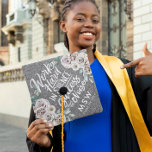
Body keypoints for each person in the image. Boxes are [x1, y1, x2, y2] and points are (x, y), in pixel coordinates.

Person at [26, 0, 152, 152]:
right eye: (80, 19)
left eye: (95, 20)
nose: (89, 24)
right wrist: (43, 143)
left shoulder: (123, 70)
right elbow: (41, 139)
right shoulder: (51, 76)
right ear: (63, 25)